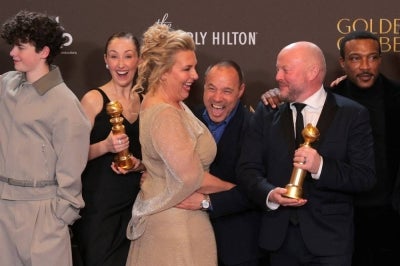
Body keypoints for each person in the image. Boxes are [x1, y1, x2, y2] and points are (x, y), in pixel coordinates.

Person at [262, 31, 400, 266]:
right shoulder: (330, 98)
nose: (365, 66)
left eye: (373, 57)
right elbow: (296, 96)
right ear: (343, 63)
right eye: (356, 59)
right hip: (338, 216)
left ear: (380, 60)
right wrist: (277, 93)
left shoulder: (396, 96)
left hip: (388, 212)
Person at [237, 41, 376, 266]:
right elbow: (247, 170)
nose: (278, 76)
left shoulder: (352, 114)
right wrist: (270, 194)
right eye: (277, 69)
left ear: (312, 72)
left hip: (330, 244)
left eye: (285, 69)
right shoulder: (266, 110)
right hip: (278, 242)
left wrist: (321, 166)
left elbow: (365, 177)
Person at [125, 23, 235, 266]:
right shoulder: (165, 113)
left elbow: (167, 163)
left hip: (180, 220)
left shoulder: (171, 103)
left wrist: (148, 170)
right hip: (175, 229)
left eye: (194, 67)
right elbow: (192, 177)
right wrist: (236, 190)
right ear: (164, 72)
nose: (195, 75)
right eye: (187, 68)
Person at [0, 10, 91, 266]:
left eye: (21, 46)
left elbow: (71, 166)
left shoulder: (65, 103)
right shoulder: (5, 85)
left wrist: (61, 215)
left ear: (44, 51)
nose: (12, 53)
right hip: (4, 207)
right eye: (13, 45)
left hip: (44, 212)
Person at [177, 60, 266, 266]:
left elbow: (259, 191)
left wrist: (206, 201)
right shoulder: (186, 118)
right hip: (190, 242)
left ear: (240, 91)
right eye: (212, 88)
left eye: (227, 91)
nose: (217, 98)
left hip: (238, 247)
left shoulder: (255, 127)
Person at [71, 32, 144, 266]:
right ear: (106, 60)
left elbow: (156, 158)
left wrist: (139, 165)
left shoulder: (148, 101)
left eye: (128, 56)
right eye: (114, 57)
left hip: (138, 208)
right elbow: (69, 157)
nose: (121, 64)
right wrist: (105, 146)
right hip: (99, 209)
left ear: (139, 60)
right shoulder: (93, 99)